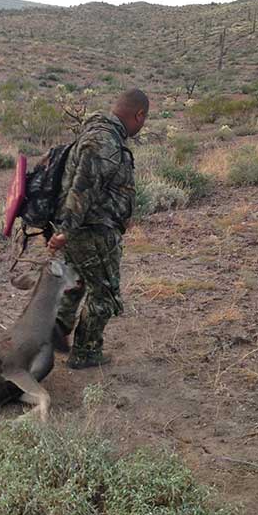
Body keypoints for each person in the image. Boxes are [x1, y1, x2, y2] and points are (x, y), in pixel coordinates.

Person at [48, 88, 149, 369]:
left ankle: (55, 330)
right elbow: (83, 185)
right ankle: (86, 352)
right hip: (92, 231)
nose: (142, 126)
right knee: (105, 294)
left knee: (77, 280)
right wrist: (66, 229)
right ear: (138, 115)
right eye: (144, 120)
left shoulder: (97, 132)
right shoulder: (105, 140)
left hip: (84, 228)